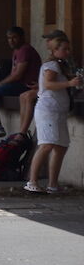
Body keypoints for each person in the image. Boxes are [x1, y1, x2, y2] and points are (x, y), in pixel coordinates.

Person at [25, 35, 81, 194]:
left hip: (58, 111)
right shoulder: (51, 65)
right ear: (55, 50)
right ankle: (32, 181)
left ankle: (53, 184)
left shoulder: (62, 65)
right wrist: (69, 83)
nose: (68, 52)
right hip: (48, 111)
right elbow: (48, 84)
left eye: (68, 49)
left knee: (61, 146)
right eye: (64, 49)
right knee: (46, 144)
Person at [0, 26, 41, 141]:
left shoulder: (25, 50)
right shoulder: (16, 51)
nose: (11, 40)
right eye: (9, 38)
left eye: (14, 37)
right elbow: (13, 73)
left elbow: (18, 74)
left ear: (22, 37)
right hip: (18, 84)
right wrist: (0, 84)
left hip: (27, 85)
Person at [18, 30, 71, 136]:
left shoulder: (61, 58)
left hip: (57, 97)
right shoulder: (54, 60)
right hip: (53, 94)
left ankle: (22, 132)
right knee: (23, 96)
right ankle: (21, 130)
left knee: (28, 96)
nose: (47, 42)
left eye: (50, 39)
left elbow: (58, 80)